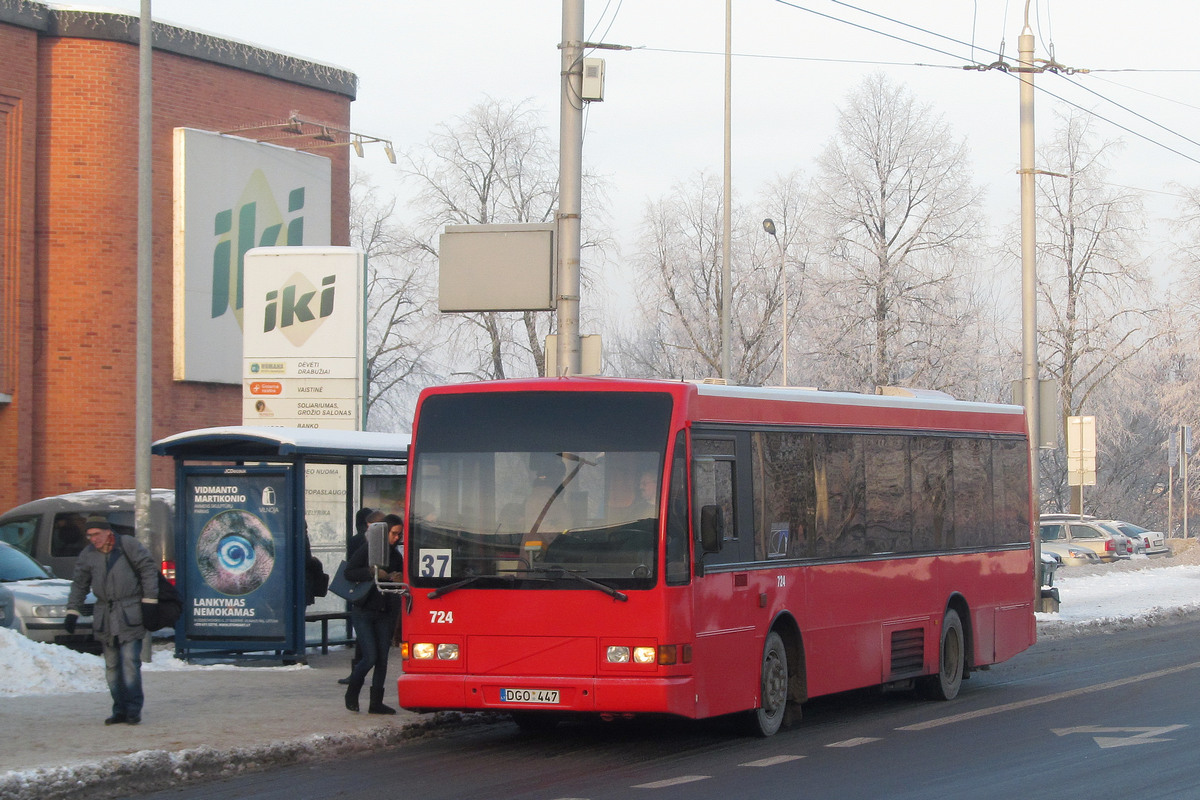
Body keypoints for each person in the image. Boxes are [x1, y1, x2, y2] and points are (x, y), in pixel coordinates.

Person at [65, 514, 159, 725]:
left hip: (130, 613)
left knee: (129, 664)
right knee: (111, 668)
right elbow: (79, 584)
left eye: (96, 534)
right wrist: (73, 611)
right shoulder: (88, 555)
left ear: (108, 531)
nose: (93, 539)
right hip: (105, 617)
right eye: (89, 535)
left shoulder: (128, 545)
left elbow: (148, 570)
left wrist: (149, 601)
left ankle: (133, 710)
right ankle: (119, 710)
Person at [343, 513, 404, 715]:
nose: (397, 538)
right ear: (384, 532)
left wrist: (397, 578)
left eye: (399, 535)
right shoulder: (369, 549)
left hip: (386, 611)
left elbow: (401, 581)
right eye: (394, 534)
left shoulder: (396, 556)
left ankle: (375, 702)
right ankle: (352, 692)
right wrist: (372, 572)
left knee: (382, 660)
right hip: (365, 610)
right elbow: (349, 572)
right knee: (370, 657)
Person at [339, 507, 385, 686]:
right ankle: (356, 677)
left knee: (364, 641)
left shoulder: (356, 540)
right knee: (367, 645)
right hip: (367, 595)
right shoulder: (362, 542)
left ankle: (356, 674)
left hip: (367, 596)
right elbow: (351, 569)